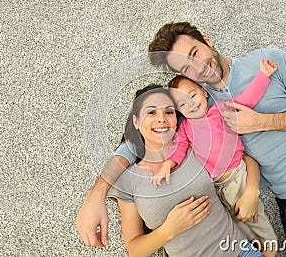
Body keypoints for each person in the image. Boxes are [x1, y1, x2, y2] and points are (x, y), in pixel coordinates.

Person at [76, 22, 286, 256]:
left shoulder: (267, 61)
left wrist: (261, 121)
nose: (197, 68)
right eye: (186, 68)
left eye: (195, 53)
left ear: (207, 40)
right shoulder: (198, 105)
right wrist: (96, 196)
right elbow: (142, 137)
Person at [106, 84, 263, 256]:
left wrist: (251, 191)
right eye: (151, 112)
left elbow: (244, 159)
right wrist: (169, 229)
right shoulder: (128, 179)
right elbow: (135, 250)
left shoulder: (192, 148)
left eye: (169, 112)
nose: (161, 119)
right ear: (136, 121)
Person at [149, 60, 277, 255]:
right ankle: (255, 243)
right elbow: (179, 147)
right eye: (182, 104)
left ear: (204, 92)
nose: (190, 104)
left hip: (235, 175)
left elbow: (246, 99)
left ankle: (270, 246)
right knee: (233, 219)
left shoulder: (220, 110)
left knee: (254, 216)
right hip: (215, 186)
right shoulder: (185, 127)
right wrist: (167, 165)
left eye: (192, 96)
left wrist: (263, 75)